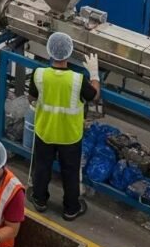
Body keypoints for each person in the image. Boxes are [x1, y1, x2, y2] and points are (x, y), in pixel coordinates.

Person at [28, 31, 100, 221]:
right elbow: (94, 96)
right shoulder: (77, 80)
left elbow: (32, 98)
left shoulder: (39, 74)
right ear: (68, 54)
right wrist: (94, 74)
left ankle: (39, 200)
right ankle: (71, 209)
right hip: (69, 136)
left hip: (46, 131)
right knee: (70, 172)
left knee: (42, 168)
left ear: (50, 51)